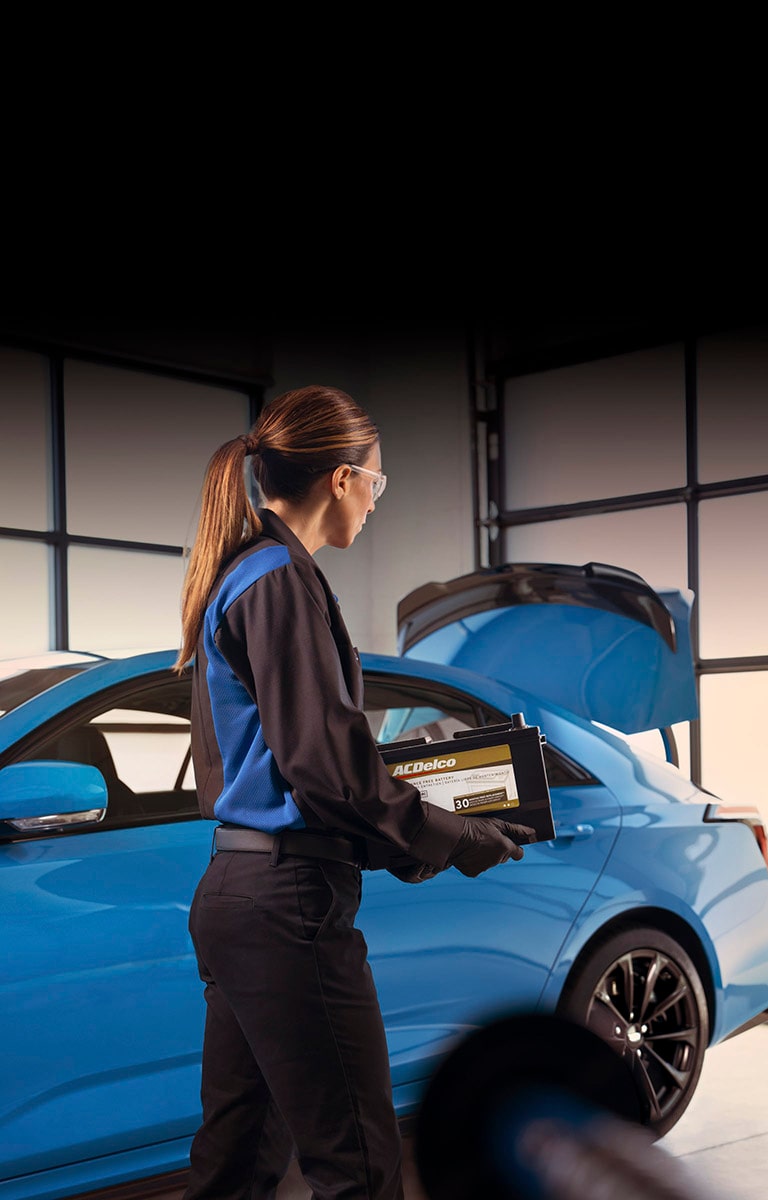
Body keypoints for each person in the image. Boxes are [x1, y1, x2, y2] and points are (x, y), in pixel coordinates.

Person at [174, 385, 534, 1200]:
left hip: (242, 893)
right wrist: (454, 838)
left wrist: (414, 832)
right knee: (359, 1166)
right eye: (378, 482)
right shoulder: (278, 581)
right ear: (342, 479)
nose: (376, 502)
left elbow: (308, 763)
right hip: (287, 906)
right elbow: (328, 769)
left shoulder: (246, 573)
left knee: (234, 1164)